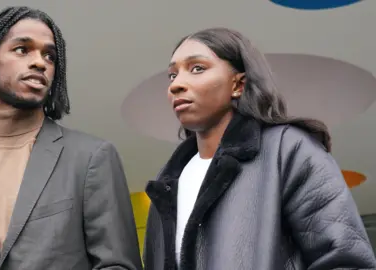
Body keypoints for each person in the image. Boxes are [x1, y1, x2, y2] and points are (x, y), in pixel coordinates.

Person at [143, 28, 376, 270]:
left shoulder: (289, 151)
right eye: (172, 75)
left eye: (197, 68)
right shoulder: (167, 182)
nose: (176, 85)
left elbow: (345, 260)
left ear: (238, 84)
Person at [0, 6, 142, 270]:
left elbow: (120, 266)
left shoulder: (91, 158)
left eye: (50, 56)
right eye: (22, 49)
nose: (40, 62)